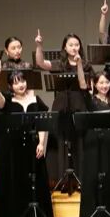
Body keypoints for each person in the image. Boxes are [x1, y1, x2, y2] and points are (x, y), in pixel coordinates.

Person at [0, 65, 53, 217]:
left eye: (22, 81)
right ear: (10, 86)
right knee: (15, 181)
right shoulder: (7, 101)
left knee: (35, 180)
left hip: (33, 146)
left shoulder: (35, 100)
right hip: (13, 149)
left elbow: (43, 124)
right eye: (16, 82)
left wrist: (41, 143)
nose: (21, 85)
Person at [34, 30, 91, 193]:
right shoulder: (59, 64)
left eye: (77, 44)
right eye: (71, 45)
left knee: (79, 142)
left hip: (79, 105)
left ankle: (80, 179)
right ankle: (63, 179)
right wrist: (39, 46)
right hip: (61, 106)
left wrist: (79, 64)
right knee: (61, 141)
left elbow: (83, 85)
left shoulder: (85, 65)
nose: (74, 47)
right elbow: (40, 63)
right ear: (65, 48)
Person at [75, 61, 110, 217]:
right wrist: (79, 64)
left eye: (107, 82)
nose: (104, 86)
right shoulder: (90, 101)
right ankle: (93, 216)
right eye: (101, 83)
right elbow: (82, 84)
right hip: (93, 143)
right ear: (95, 84)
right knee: (92, 177)